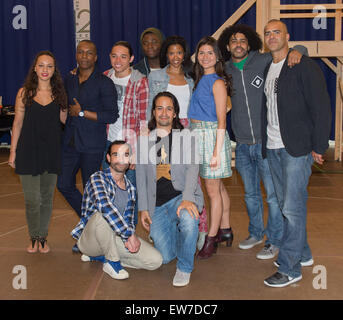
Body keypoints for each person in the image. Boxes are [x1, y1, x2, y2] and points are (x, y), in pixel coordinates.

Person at [217, 24, 306, 260]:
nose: (238, 44)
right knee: (250, 195)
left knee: (273, 197)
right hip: (243, 145)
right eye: (234, 41)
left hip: (266, 143)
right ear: (227, 46)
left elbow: (291, 51)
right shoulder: (224, 70)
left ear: (250, 44)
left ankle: (274, 240)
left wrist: (299, 49)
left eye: (243, 40)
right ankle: (256, 233)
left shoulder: (264, 61)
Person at [261, 20, 331, 287]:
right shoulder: (269, 66)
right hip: (274, 147)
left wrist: (318, 146)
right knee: (285, 206)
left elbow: (321, 107)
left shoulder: (302, 65)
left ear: (287, 36)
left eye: (277, 32)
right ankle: (302, 254)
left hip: (297, 149)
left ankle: (291, 269)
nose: (272, 36)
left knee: (292, 207)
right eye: (268, 33)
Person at [136, 91, 204, 287]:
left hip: (181, 196)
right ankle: (186, 241)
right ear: (153, 112)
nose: (164, 113)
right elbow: (140, 177)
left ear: (175, 113)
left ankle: (184, 267)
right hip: (157, 205)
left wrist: (188, 198)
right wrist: (144, 209)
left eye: (169, 108)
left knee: (189, 220)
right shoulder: (144, 140)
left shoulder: (186, 136)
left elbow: (193, 168)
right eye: (159, 108)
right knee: (165, 257)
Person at [147, 35, 208, 249]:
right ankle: (166, 225)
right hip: (163, 130)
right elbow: (151, 106)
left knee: (192, 180)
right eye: (171, 52)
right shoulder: (155, 76)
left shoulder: (191, 78)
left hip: (186, 131)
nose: (175, 57)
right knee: (166, 177)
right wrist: (150, 131)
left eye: (179, 52)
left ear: (184, 55)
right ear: (167, 54)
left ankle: (199, 228)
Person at [71, 141, 162, 280]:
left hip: (114, 238)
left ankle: (104, 258)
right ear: (108, 158)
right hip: (91, 241)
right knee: (101, 216)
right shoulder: (98, 178)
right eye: (116, 155)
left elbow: (129, 220)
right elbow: (105, 206)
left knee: (155, 261)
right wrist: (129, 234)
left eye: (125, 155)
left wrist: (128, 237)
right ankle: (112, 262)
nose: (121, 159)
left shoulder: (131, 189)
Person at [8, 51, 68, 253]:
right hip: (28, 152)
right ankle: (33, 236)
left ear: (54, 70)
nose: (45, 70)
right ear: (35, 68)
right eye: (41, 65)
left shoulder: (59, 94)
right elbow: (17, 123)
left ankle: (42, 237)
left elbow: (64, 121)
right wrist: (13, 152)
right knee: (32, 199)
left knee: (46, 197)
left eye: (49, 66)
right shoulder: (24, 93)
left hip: (51, 152)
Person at [57, 40, 118, 224]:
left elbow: (112, 115)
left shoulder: (105, 83)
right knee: (63, 184)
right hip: (70, 142)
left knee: (90, 189)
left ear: (96, 57)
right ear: (76, 55)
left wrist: (83, 113)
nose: (84, 56)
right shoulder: (70, 78)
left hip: (92, 145)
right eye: (81, 52)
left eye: (89, 53)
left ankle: (91, 235)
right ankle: (89, 221)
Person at [188, 36, 233, 259]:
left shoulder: (217, 82)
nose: (206, 57)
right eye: (202, 52)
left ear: (217, 56)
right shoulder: (200, 80)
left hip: (211, 136)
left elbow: (221, 121)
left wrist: (216, 151)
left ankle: (211, 239)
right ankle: (225, 229)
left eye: (210, 53)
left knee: (212, 191)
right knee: (219, 187)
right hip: (198, 135)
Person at [103, 41, 149, 225]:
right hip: (108, 142)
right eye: (114, 56)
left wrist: (138, 152)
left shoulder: (140, 81)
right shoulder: (104, 77)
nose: (118, 60)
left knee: (130, 192)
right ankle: (111, 232)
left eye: (123, 56)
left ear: (131, 59)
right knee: (109, 190)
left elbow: (144, 120)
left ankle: (128, 232)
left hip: (130, 146)